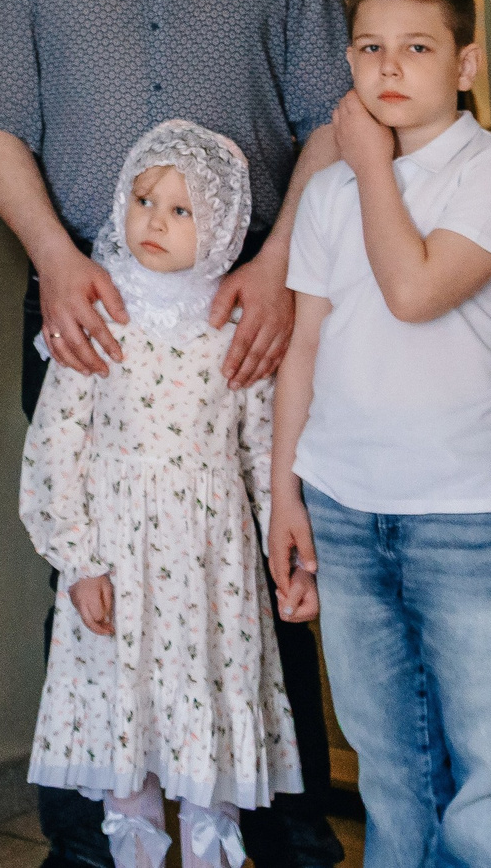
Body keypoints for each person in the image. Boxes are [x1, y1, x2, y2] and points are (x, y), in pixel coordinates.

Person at [0, 0, 348, 864]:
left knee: (262, 559)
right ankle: (95, 841)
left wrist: (278, 261)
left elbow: (333, 117)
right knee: (91, 568)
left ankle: (281, 839)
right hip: (91, 311)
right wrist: (53, 258)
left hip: (244, 315)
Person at [268, 0, 491, 868]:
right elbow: (303, 347)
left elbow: (415, 288)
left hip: (469, 513)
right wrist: (286, 498)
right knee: (392, 775)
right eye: (370, 48)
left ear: (465, 64)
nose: (389, 69)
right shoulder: (326, 194)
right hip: (348, 509)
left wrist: (368, 163)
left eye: (418, 48)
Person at [19, 119, 301, 868]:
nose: (154, 218)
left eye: (181, 208)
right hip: (119, 568)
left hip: (210, 581)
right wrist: (78, 560)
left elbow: (262, 453)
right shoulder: (97, 316)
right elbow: (55, 450)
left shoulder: (233, 327)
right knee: (127, 749)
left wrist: (286, 550)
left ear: (221, 224)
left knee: (205, 750)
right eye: (144, 197)